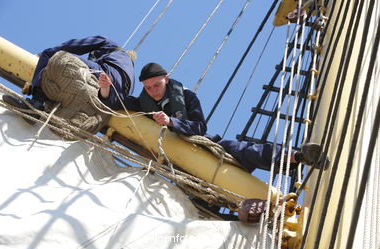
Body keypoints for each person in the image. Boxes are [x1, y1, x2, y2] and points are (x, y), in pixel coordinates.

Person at [126, 62, 330, 174]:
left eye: (157, 85)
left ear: (166, 80)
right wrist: (106, 88)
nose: (153, 91)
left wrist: (171, 122)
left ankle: (300, 157)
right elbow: (119, 103)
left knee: (246, 150)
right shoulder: (142, 104)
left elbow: (198, 127)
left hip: (206, 144)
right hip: (177, 162)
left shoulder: (187, 97)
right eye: (147, 87)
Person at [3, 35, 135, 125]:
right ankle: (45, 102)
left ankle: (36, 103)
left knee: (52, 55)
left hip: (104, 76)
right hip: (110, 102)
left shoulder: (109, 44)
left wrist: (41, 56)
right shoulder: (131, 76)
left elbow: (74, 46)